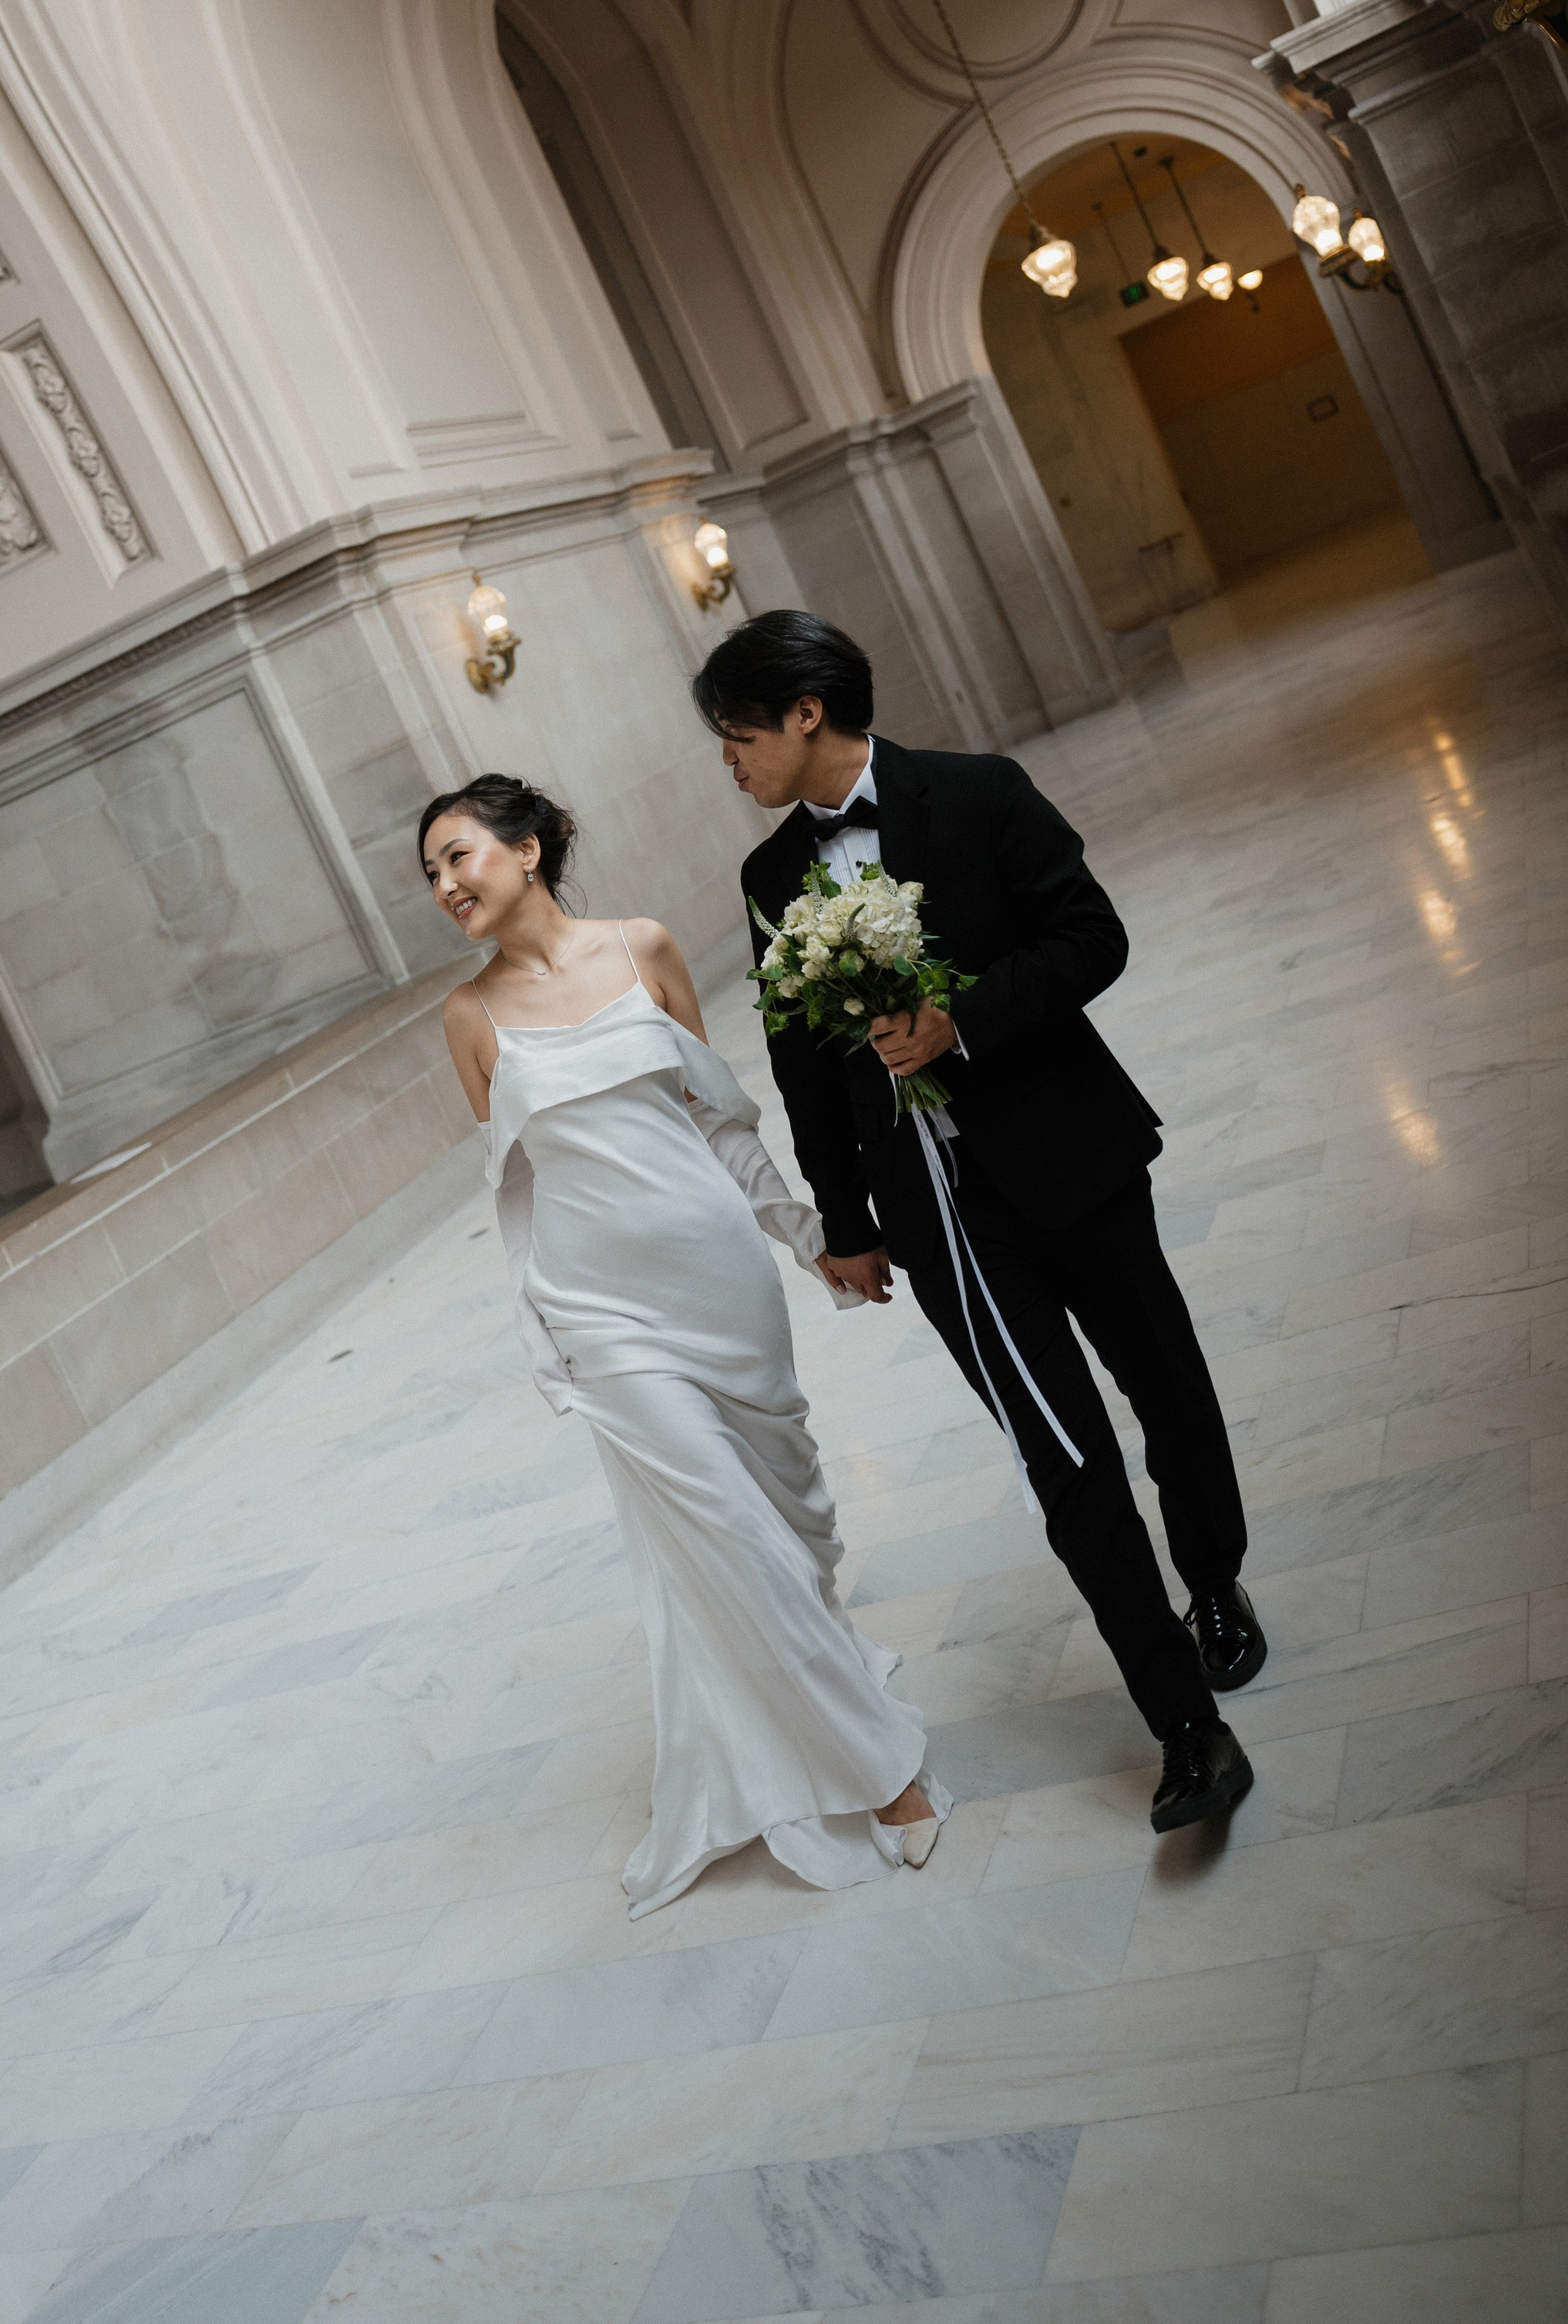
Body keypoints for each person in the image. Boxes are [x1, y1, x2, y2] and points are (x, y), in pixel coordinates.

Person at [696, 609, 1261, 1836]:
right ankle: (1184, 1727)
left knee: (1161, 1378)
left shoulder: (979, 793)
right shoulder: (767, 881)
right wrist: (843, 1222)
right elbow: (801, 1067)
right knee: (1062, 1455)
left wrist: (964, 1022)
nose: (729, 765)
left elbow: (1090, 938)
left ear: (805, 714)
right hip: (942, 1215)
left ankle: (1213, 1576)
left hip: (1073, 1156)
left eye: (736, 736)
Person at [423, 771, 952, 1919]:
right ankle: (888, 1775)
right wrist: (546, 1335)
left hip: (720, 1282)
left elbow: (719, 1118)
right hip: (606, 1315)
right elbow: (515, 1193)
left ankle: (811, 1690)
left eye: (459, 855)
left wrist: (809, 1232)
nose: (445, 885)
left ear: (528, 850)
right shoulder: (469, 1019)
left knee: (789, 1523)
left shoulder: (643, 949)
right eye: (430, 873)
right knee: (730, 1540)